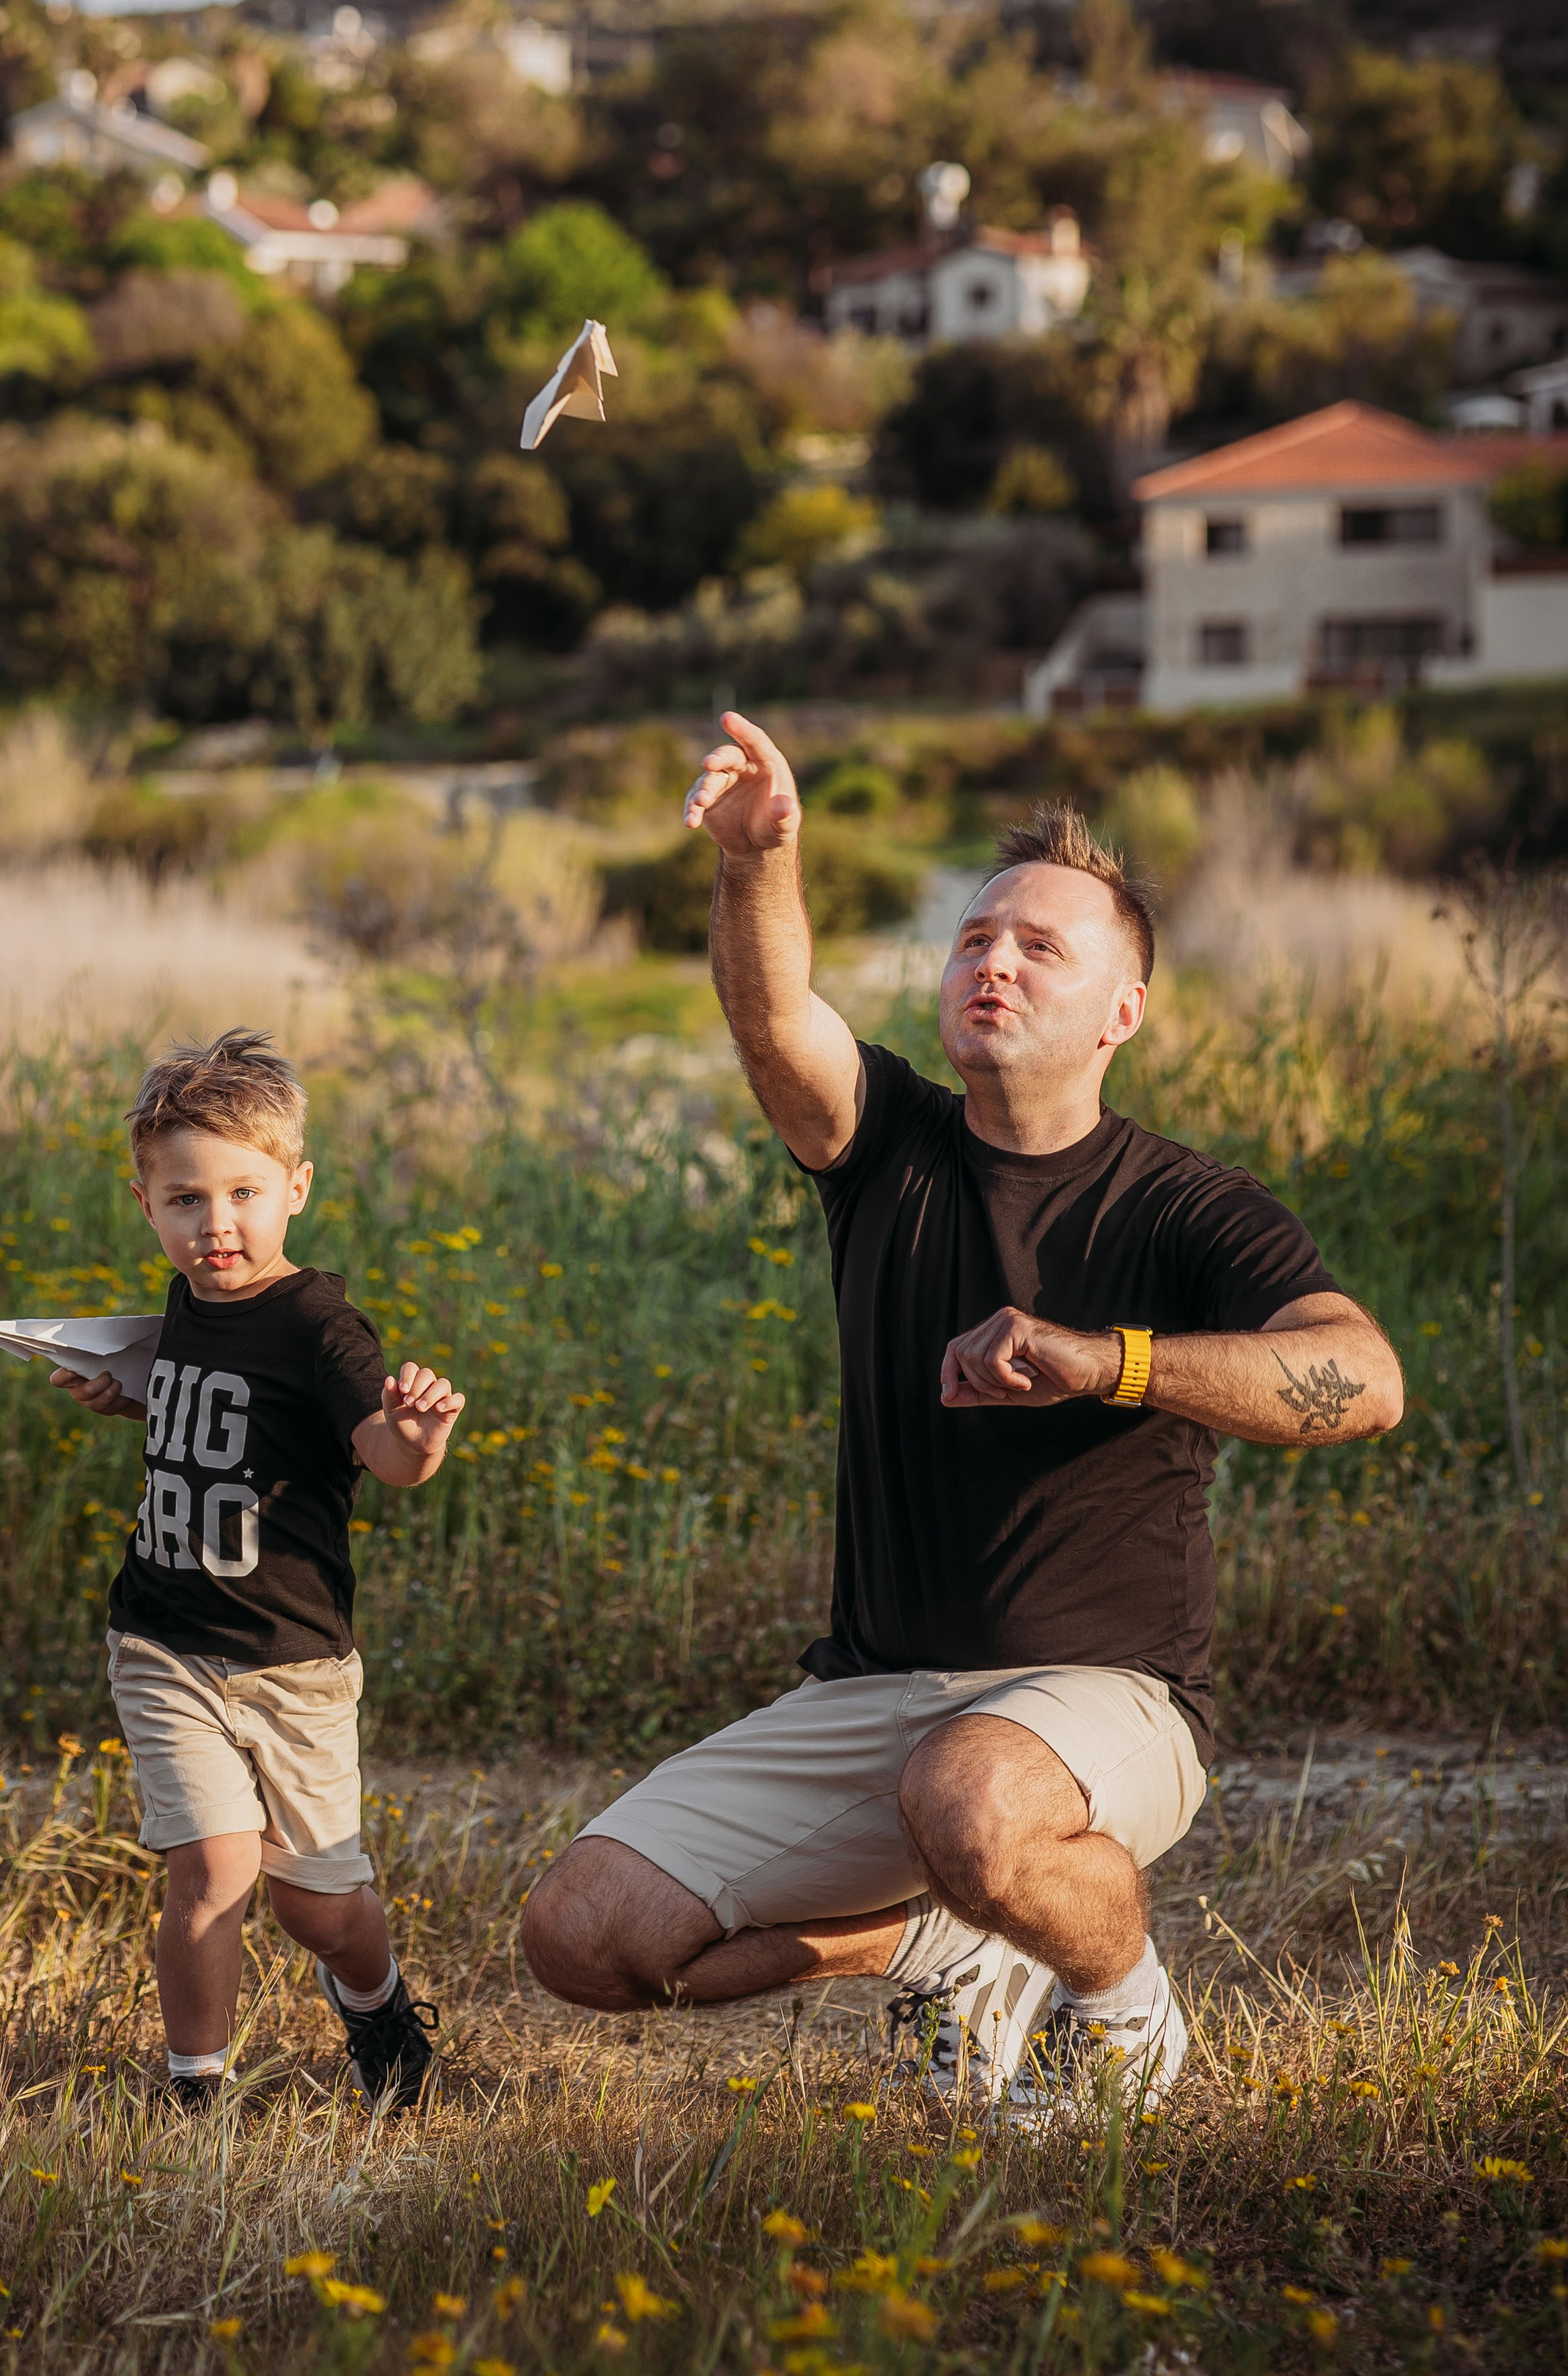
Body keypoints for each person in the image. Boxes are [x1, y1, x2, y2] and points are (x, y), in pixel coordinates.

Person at [521, 714, 1402, 2118]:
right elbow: (772, 1021)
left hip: (1109, 1702)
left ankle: (1121, 2012)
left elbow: (1365, 1381)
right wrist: (760, 862)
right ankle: (937, 1940)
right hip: (870, 1693)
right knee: (585, 1940)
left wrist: (1107, 1360)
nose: (994, 959)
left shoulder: (1189, 1208)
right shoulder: (888, 1145)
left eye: (1043, 946)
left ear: (1123, 1010)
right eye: (975, 938)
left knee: (972, 1798)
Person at [51, 1028, 464, 2113]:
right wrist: (131, 1394)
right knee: (215, 1871)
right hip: (165, 1639)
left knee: (315, 1907)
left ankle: (376, 2006)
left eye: (243, 1193)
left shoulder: (320, 1328)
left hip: (295, 1669)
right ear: (147, 1205)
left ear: (298, 1188)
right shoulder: (188, 1300)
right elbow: (223, 1411)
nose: (216, 1224)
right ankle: (196, 2099)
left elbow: (380, 1452)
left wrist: (417, 1438)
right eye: (185, 1200)